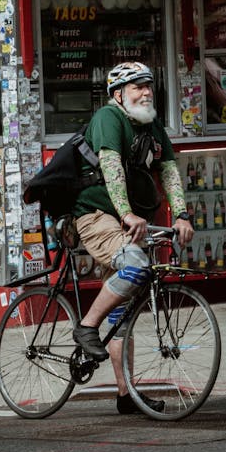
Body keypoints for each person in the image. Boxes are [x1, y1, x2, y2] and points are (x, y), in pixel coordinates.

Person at [71, 61, 194, 414]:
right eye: (137, 87)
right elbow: (110, 166)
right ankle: (86, 327)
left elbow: (168, 170)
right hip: (97, 216)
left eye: (148, 85)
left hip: (129, 221)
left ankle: (127, 395)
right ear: (117, 95)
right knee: (135, 264)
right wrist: (125, 213)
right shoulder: (110, 118)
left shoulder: (151, 124)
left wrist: (182, 214)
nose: (146, 92)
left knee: (124, 306)